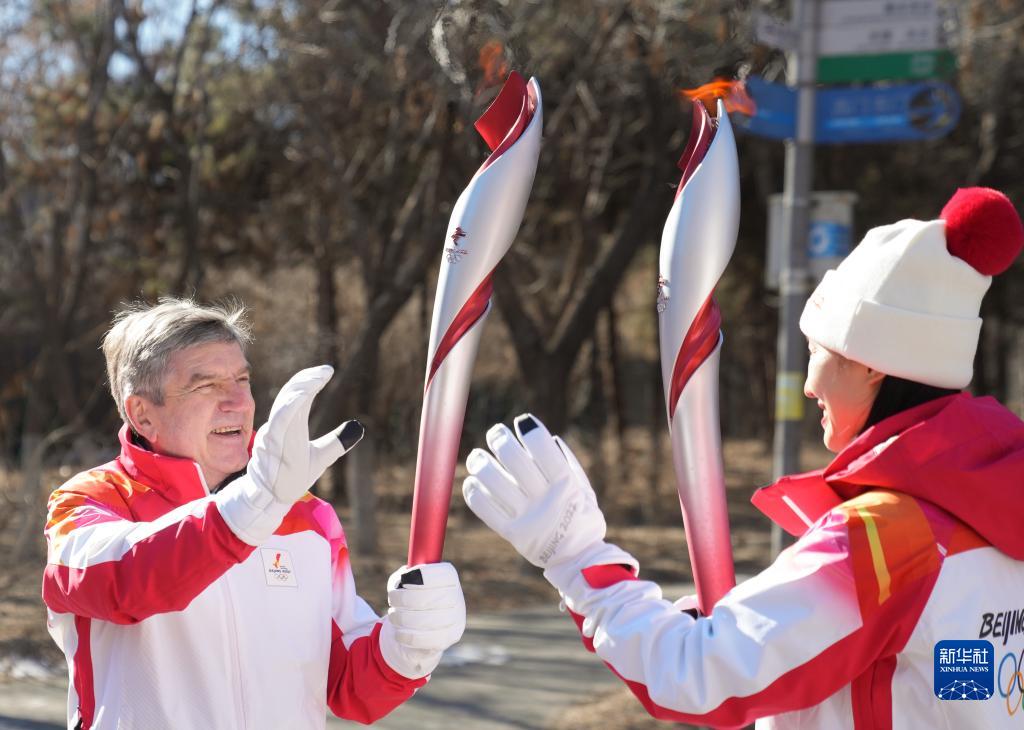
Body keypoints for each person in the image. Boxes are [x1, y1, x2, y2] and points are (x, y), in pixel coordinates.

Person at [462, 187, 1024, 728]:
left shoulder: (893, 541)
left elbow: (696, 674)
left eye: (816, 352)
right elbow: (943, 679)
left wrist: (576, 556)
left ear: (872, 363)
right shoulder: (994, 525)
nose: (808, 385)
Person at [42, 299, 466, 730]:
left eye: (242, 380)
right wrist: (249, 508)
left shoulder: (307, 516)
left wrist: (408, 647)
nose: (237, 403)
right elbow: (122, 582)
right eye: (206, 385)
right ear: (142, 413)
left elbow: (347, 686)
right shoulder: (91, 502)